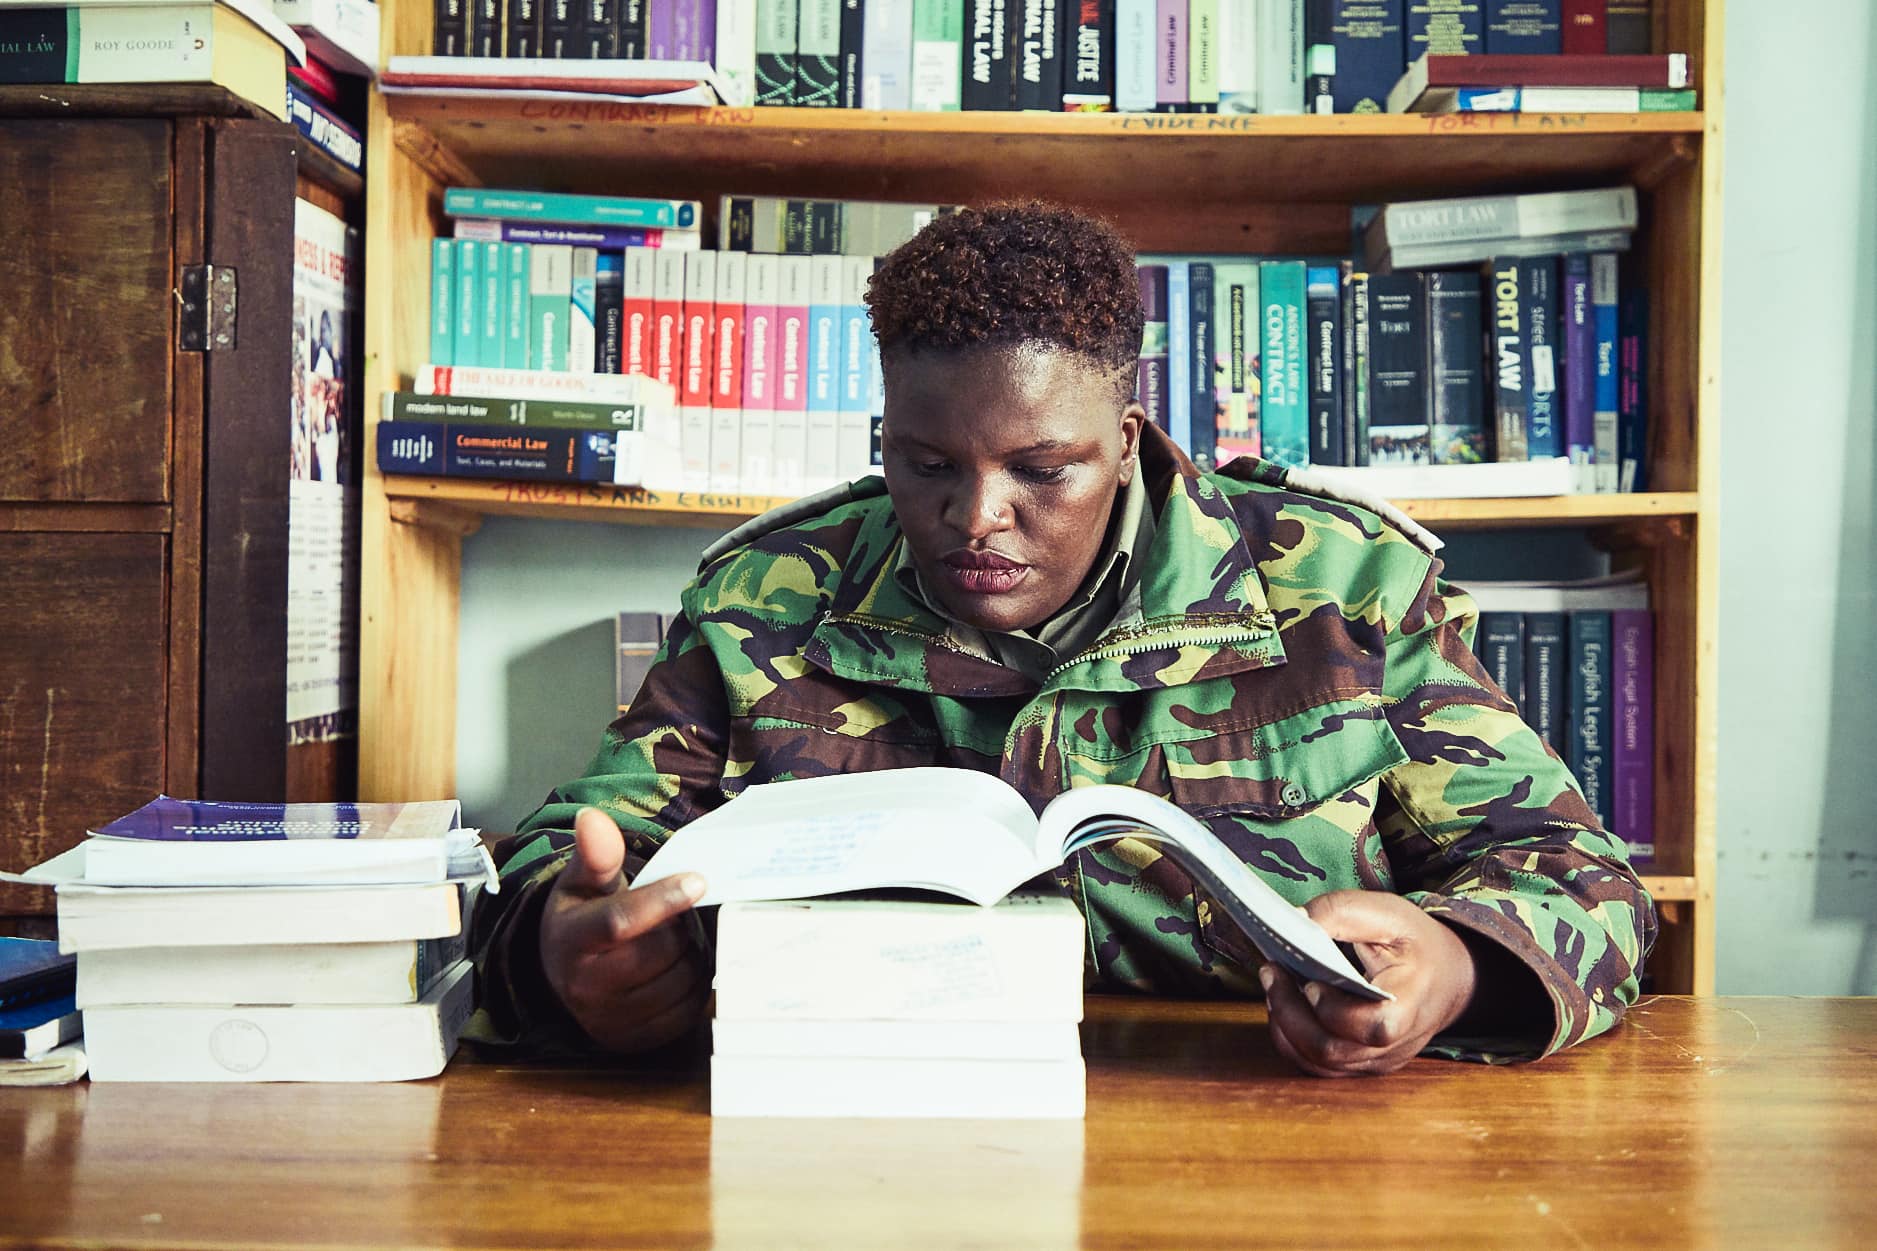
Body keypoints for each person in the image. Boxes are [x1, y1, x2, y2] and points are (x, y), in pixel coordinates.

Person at [465, 202, 1655, 1076]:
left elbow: (1580, 880)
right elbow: (566, 868)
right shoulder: (767, 597)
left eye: (1042, 469)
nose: (975, 518)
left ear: (1124, 440)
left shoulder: (1340, 586)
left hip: (1255, 1142)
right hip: (856, 1124)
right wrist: (566, 957)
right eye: (926, 465)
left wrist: (1449, 966)